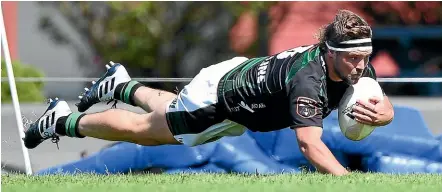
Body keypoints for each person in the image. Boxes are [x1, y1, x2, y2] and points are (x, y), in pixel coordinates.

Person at [24, 10, 394, 176]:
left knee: (169, 112)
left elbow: (378, 95)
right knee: (146, 132)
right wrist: (347, 183)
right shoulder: (308, 82)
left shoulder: (351, 64)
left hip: (234, 75)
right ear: (330, 51)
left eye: (365, 56)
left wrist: (385, 114)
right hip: (218, 103)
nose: (361, 66)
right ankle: (64, 120)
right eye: (352, 58)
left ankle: (121, 85)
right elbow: (309, 145)